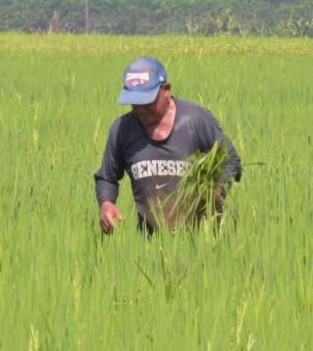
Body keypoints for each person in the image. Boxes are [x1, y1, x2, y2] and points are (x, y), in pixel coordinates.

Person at [94, 56, 242, 234]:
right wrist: (106, 203)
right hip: (150, 241)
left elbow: (231, 161)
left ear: (166, 90)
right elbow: (107, 177)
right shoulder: (122, 129)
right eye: (135, 102)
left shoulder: (196, 121)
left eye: (147, 102)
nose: (140, 109)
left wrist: (217, 189)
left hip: (202, 238)